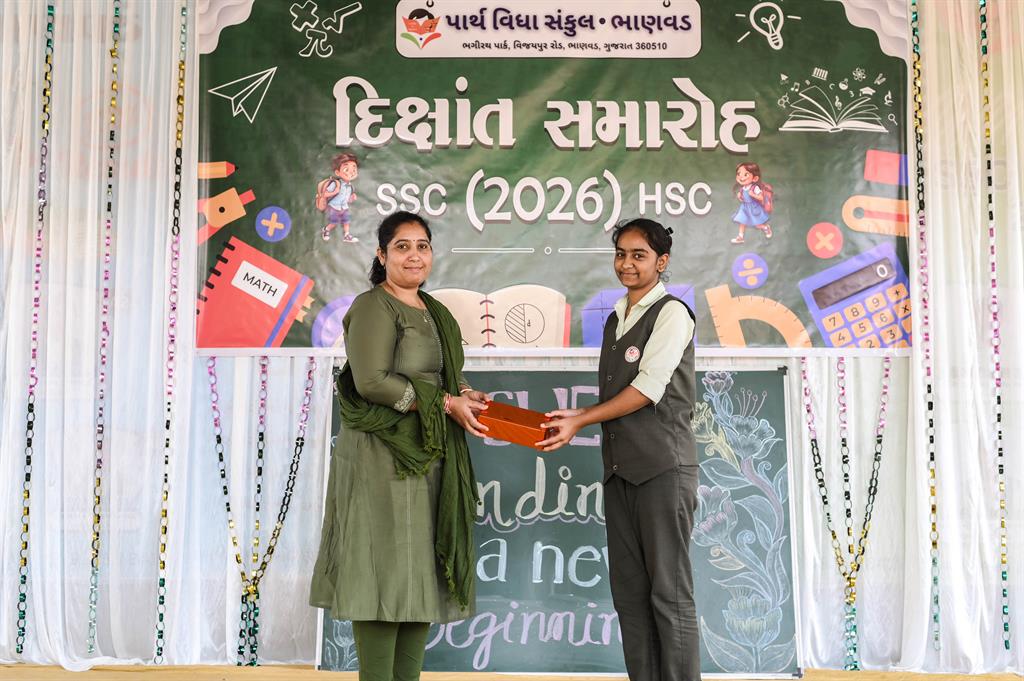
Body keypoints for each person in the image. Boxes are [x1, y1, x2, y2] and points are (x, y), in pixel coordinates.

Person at [310, 211, 489, 681]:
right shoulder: (374, 306)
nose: (414, 255)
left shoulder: (434, 310)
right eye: (402, 246)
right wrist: (445, 403)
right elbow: (371, 382)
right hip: (380, 455)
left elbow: (444, 375)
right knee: (382, 569)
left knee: (418, 571)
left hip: (428, 453)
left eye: (422, 246)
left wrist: (464, 394)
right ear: (382, 254)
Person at [538, 218, 700, 681]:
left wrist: (581, 419)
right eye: (621, 254)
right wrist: (578, 418)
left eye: (639, 255)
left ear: (661, 262)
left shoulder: (672, 313)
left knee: (670, 595)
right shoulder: (615, 318)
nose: (627, 264)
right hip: (620, 472)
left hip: (663, 470)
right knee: (630, 597)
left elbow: (648, 389)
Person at [317, 151, 359, 242]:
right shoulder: (336, 184)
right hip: (334, 207)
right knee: (334, 222)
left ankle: (347, 235)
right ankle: (326, 230)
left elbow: (347, 199)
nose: (351, 172)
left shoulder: (351, 187)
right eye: (346, 169)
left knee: (346, 221)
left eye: (354, 169)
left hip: (344, 207)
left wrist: (351, 199)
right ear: (337, 172)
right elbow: (324, 194)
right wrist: (334, 192)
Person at [730, 162, 773, 245]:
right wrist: (740, 196)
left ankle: (765, 227)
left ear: (755, 178)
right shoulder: (743, 188)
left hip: (753, 208)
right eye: (739, 174)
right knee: (742, 221)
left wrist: (753, 194)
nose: (741, 177)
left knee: (756, 224)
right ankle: (740, 237)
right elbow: (743, 198)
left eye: (745, 174)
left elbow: (761, 197)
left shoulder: (755, 188)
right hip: (744, 207)